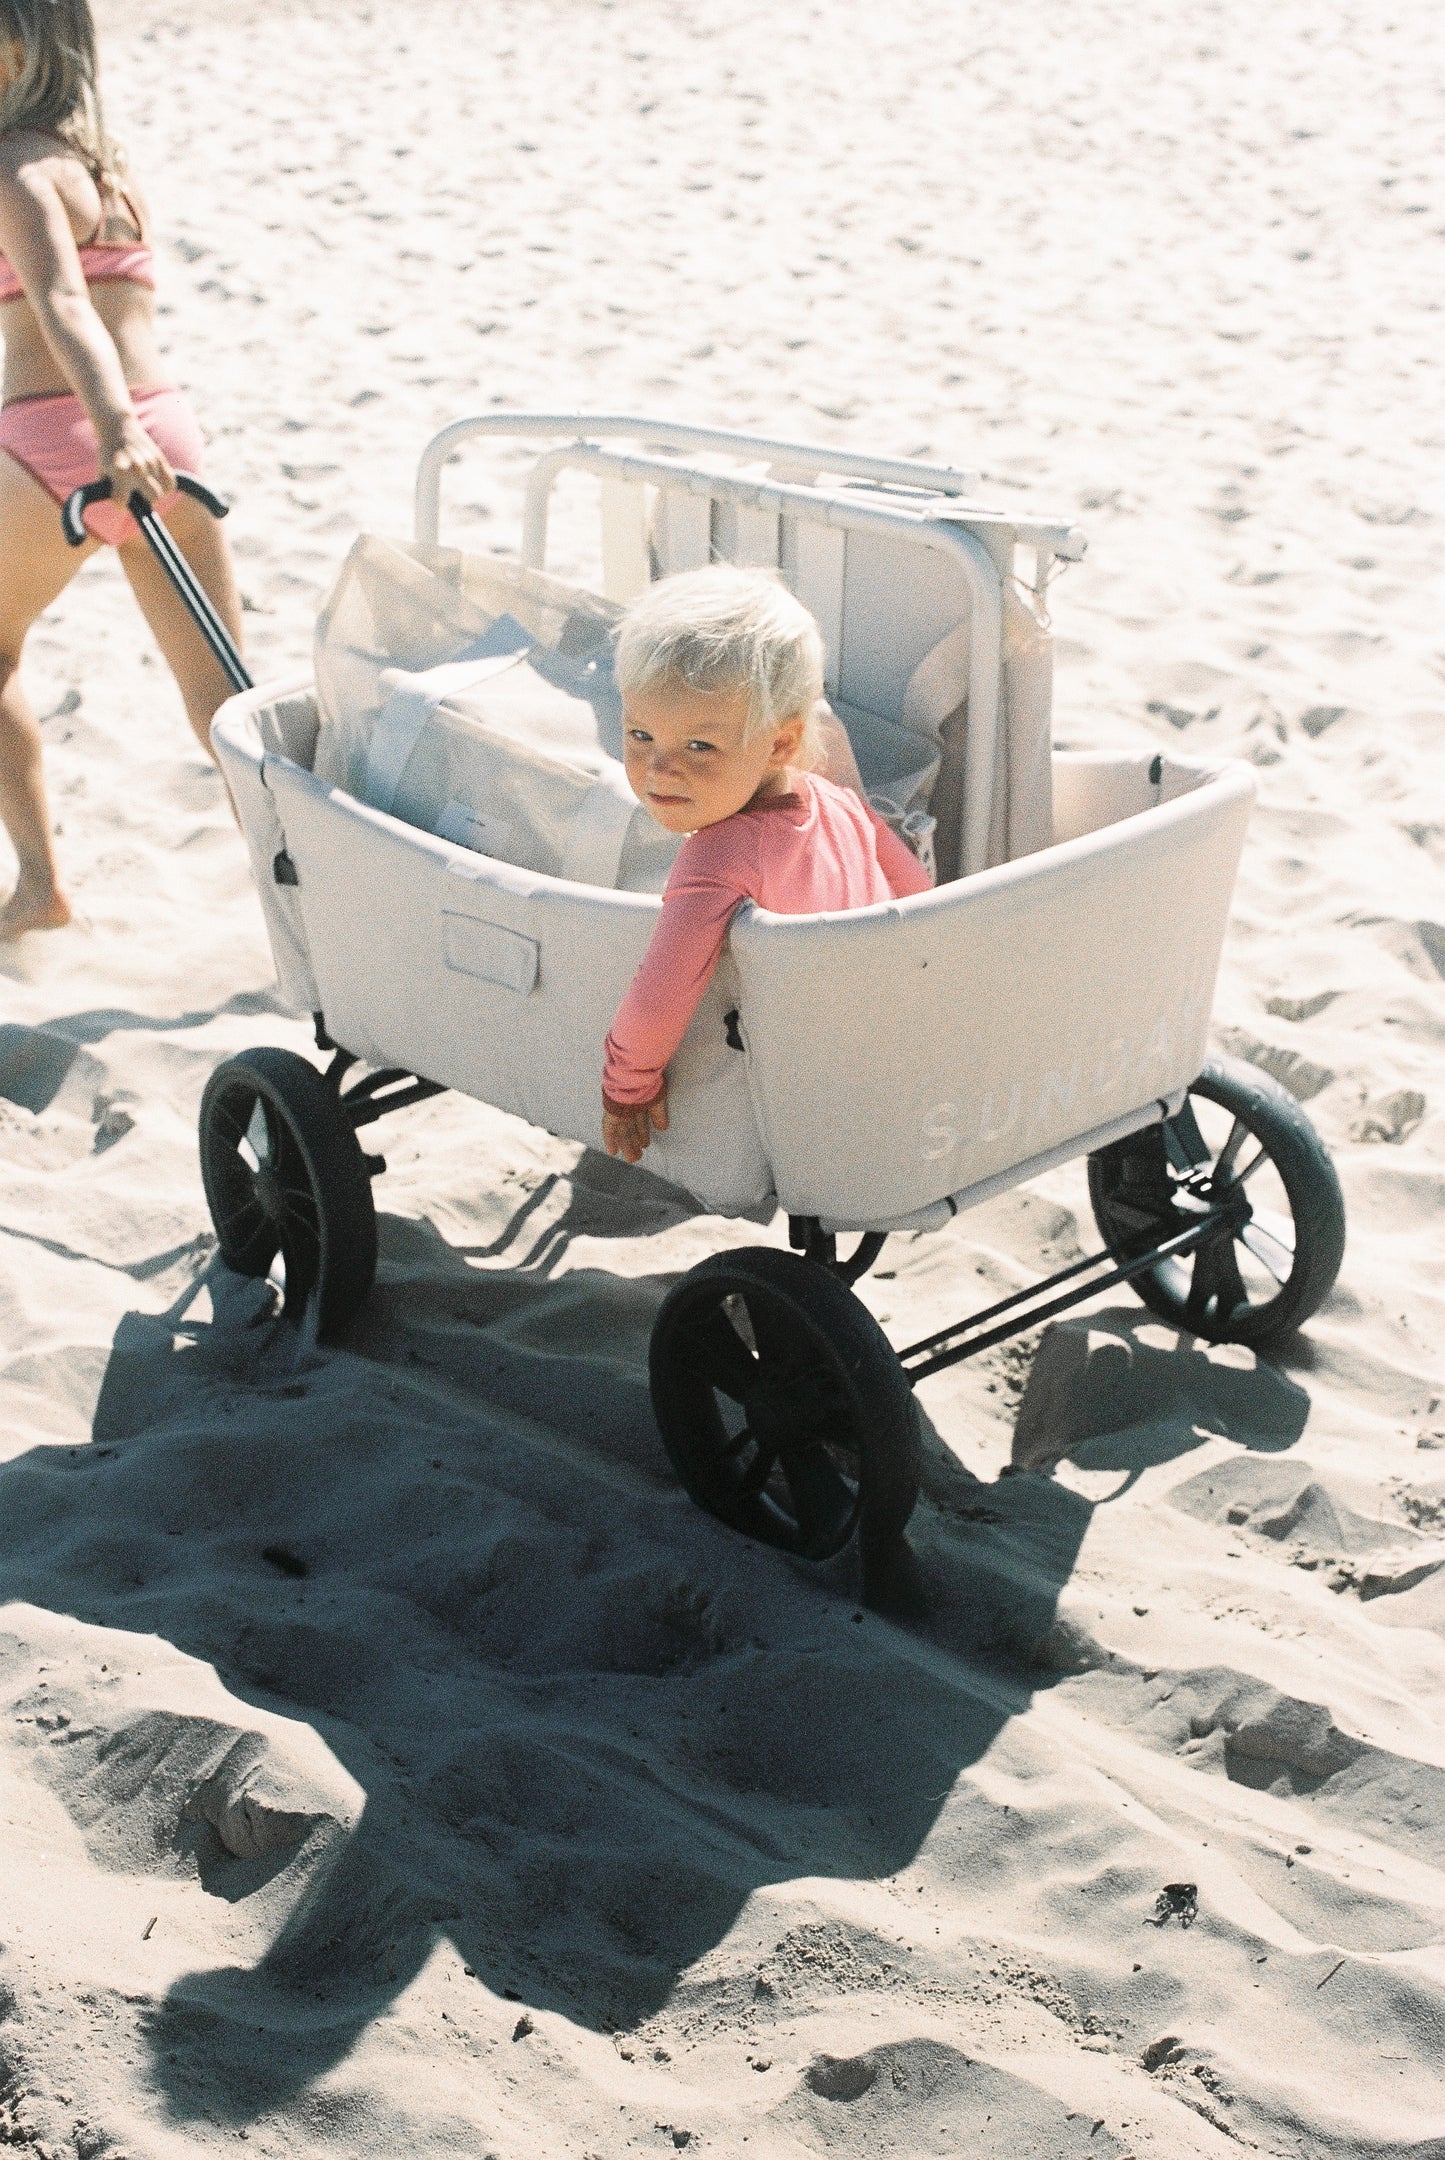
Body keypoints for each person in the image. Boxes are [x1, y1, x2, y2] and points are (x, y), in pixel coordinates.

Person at [0, 0, 242, 939]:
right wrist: (135, 429)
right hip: (169, 435)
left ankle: (39, 888)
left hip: (60, 446)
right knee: (221, 697)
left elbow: (62, 304)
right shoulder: (111, 173)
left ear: (19, 46)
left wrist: (108, 428)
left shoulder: (12, 164)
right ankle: (303, 897)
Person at [601, 566, 932, 1164]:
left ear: (779, 743)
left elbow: (660, 996)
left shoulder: (720, 855)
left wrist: (627, 1090)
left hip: (787, 1078)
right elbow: (920, 896)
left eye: (699, 746)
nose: (657, 770)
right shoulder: (839, 801)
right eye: (639, 733)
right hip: (867, 1045)